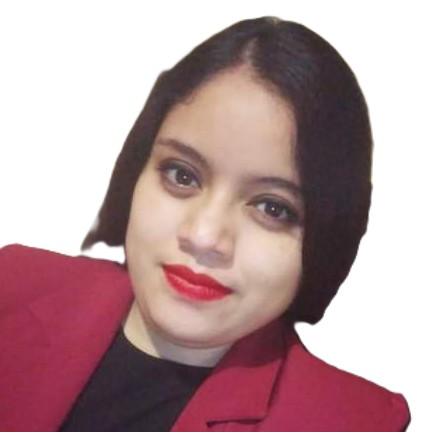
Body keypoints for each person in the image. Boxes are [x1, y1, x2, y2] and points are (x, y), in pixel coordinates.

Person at [0, 16, 410, 432]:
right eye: (182, 175)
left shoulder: (355, 421)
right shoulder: (12, 283)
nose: (204, 236)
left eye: (273, 208)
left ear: (327, 237)